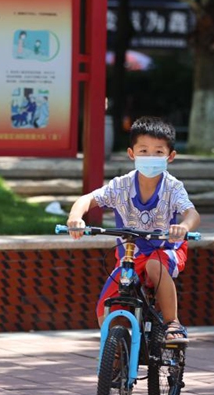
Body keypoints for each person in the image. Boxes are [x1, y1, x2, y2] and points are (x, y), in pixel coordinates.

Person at [66, 116, 201, 341]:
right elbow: (88, 199)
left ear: (171, 156)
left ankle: (172, 323)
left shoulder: (173, 187)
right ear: (131, 154)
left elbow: (192, 213)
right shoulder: (121, 185)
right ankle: (115, 362)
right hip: (129, 256)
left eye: (158, 152)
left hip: (166, 251)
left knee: (154, 264)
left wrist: (184, 226)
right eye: (144, 151)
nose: (151, 157)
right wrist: (76, 217)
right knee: (104, 309)